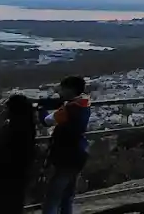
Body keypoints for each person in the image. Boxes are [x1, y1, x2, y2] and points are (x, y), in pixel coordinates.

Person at [39, 75, 91, 214]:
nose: (60, 92)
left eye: (62, 89)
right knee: (67, 196)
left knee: (52, 198)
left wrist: (40, 107)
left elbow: (46, 121)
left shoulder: (69, 109)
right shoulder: (85, 103)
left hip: (65, 156)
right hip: (79, 154)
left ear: (70, 90)